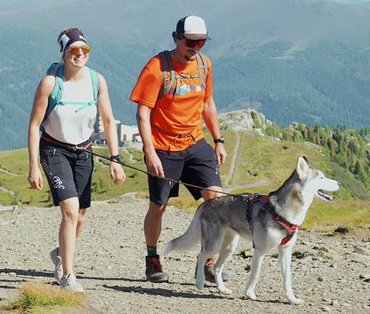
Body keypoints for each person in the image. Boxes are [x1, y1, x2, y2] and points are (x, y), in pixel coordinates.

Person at [129, 15, 227, 283]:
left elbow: (208, 103)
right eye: (190, 42)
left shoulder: (204, 65)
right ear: (176, 38)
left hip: (195, 142)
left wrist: (218, 140)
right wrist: (150, 151)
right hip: (163, 146)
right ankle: (152, 257)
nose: (195, 48)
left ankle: (208, 261)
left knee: (216, 200)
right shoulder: (157, 67)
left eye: (201, 42)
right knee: (158, 206)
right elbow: (143, 112)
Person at [27, 27, 126, 292]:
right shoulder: (50, 82)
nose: (80, 54)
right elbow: (35, 125)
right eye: (73, 50)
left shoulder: (97, 81)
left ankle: (60, 253)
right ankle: (68, 276)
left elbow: (107, 120)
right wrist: (33, 165)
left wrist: (115, 158)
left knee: (80, 216)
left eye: (85, 50)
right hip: (55, 150)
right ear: (63, 53)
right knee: (70, 211)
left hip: (84, 151)